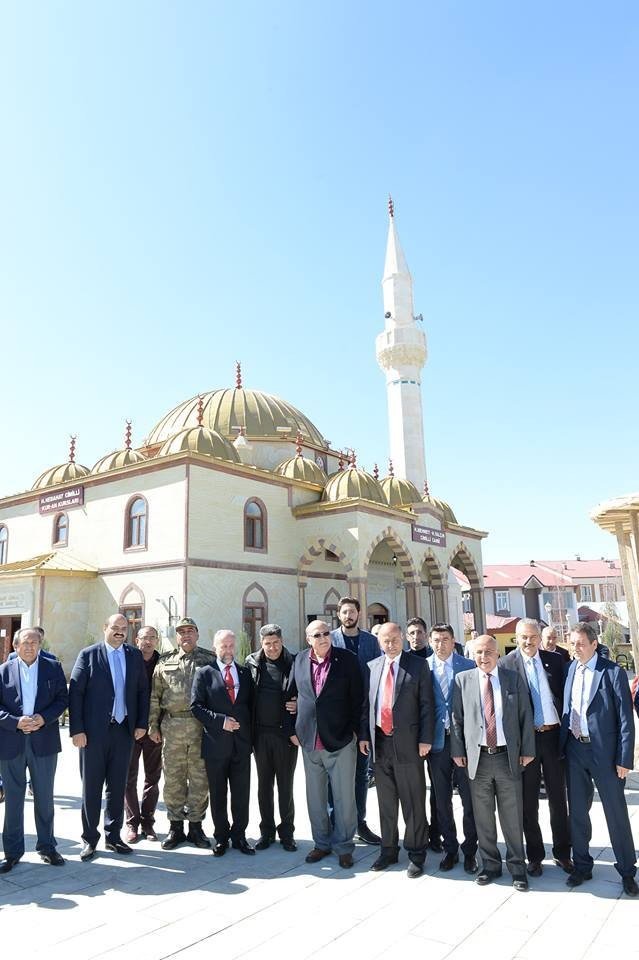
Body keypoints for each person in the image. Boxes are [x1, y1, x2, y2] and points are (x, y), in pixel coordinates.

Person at [451, 634, 534, 891]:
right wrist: (457, 751)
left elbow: (525, 715)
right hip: (478, 758)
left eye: (488, 652)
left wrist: (528, 749)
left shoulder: (512, 678)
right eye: (478, 653)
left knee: (512, 815)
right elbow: (457, 719)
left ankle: (518, 867)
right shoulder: (462, 680)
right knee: (483, 816)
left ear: (497, 654)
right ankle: (490, 865)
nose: (483, 657)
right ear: (472, 655)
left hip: (507, 756)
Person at [560, 622, 637, 896]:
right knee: (578, 812)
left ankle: (628, 871)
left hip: (605, 754)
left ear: (594, 644)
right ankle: (582, 865)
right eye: (572, 643)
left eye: (580, 643)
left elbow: (626, 720)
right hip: (575, 750)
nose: (576, 648)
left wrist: (624, 758)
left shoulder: (612, 672)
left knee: (616, 813)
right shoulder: (570, 669)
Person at [68, 614, 149, 861]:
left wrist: (141, 724)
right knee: (91, 788)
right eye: (115, 628)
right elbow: (76, 693)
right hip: (93, 735)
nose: (119, 632)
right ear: (105, 628)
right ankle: (90, 839)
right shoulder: (88, 655)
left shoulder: (134, 655)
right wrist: (77, 730)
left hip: (123, 732)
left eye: (124, 629)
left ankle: (113, 837)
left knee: (117, 786)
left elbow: (143, 691)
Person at [359, 622, 433, 877]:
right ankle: (388, 850)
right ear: (378, 642)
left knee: (413, 801)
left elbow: (426, 705)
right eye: (385, 640)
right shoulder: (373, 667)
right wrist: (364, 736)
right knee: (386, 801)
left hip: (410, 744)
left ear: (402, 638)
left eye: (394, 639)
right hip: (380, 744)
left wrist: (426, 739)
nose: (390, 644)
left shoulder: (418, 665)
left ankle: (416, 852)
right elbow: (367, 705)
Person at [500, 619, 572, 876]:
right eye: (523, 637)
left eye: (532, 637)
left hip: (553, 738)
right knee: (529, 802)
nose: (528, 642)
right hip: (525, 742)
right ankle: (535, 855)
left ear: (540, 638)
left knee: (558, 799)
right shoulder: (505, 665)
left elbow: (565, 697)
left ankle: (563, 853)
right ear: (515, 638)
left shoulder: (554, 661)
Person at [292, 619, 362, 869]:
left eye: (325, 633)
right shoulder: (299, 660)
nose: (323, 638)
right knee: (315, 797)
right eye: (316, 634)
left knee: (344, 798)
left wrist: (355, 731)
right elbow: (291, 694)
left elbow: (358, 697)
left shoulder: (346, 659)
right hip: (310, 741)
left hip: (340, 739)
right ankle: (321, 844)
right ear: (308, 638)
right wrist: (294, 728)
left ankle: (344, 847)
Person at [0, 628, 68, 872]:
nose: (29, 646)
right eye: (25, 643)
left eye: (34, 642)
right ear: (15, 646)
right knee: (13, 799)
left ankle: (47, 847)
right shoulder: (3, 671)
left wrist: (44, 717)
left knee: (44, 796)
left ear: (40, 645)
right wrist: (14, 722)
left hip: (44, 740)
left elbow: (62, 699)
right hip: (11, 741)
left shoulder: (52, 668)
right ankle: (12, 852)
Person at [148, 617, 215, 851]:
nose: (185, 636)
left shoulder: (209, 660)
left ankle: (196, 827)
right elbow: (155, 697)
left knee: (200, 779)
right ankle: (175, 827)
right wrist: (152, 726)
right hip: (172, 727)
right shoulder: (164, 662)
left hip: (200, 728)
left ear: (197, 634)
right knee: (174, 779)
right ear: (176, 637)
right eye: (181, 632)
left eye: (190, 631)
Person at [191, 629, 254, 856]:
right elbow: (196, 707)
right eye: (223, 646)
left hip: (241, 746)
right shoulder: (205, 674)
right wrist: (221, 721)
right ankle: (221, 837)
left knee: (241, 793)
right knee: (218, 794)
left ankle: (239, 836)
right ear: (215, 647)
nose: (227, 650)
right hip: (215, 745)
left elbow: (251, 708)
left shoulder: (245, 674)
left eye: (230, 645)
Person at [426, 624, 478, 874]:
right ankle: (450, 849)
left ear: (453, 640)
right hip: (436, 744)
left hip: (465, 744)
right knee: (442, 799)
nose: (440, 644)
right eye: (436, 640)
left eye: (445, 639)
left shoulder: (468, 666)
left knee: (469, 800)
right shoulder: (423, 668)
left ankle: (470, 851)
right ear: (430, 641)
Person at [330, 597, 381, 845]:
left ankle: (360, 821)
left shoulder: (371, 642)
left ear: (359, 614)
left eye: (352, 611)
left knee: (361, 773)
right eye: (344, 611)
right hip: (337, 717)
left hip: (364, 716)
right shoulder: (328, 639)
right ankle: (334, 823)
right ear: (339, 614)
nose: (349, 615)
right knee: (334, 773)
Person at [245, 624, 298, 852]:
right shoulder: (252, 663)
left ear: (281, 640)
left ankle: (287, 833)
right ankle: (266, 832)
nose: (272, 648)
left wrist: (299, 704)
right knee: (264, 786)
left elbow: (308, 691)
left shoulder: (294, 662)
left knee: (285, 786)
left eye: (276, 642)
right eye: (267, 644)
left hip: (285, 735)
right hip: (260, 735)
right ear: (261, 643)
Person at [124, 626, 162, 843]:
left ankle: (148, 822)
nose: (148, 642)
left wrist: (158, 727)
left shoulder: (164, 663)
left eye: (152, 638)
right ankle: (132, 823)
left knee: (153, 778)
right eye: (144, 638)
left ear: (157, 641)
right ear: (136, 640)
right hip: (130, 730)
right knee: (128, 777)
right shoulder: (129, 660)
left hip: (154, 730)